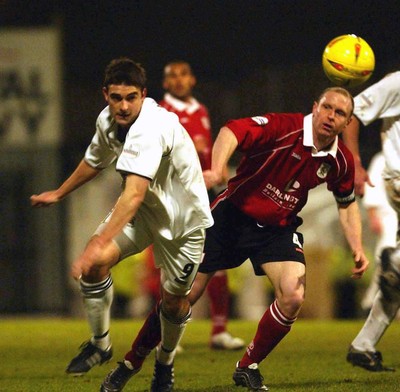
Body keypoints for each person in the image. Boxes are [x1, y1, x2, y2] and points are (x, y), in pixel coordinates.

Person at [101, 86, 369, 391]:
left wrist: (358, 247)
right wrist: (217, 170)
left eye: (340, 113)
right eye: (327, 108)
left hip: (276, 229)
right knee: (179, 299)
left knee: (293, 296)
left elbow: (346, 203)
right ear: (315, 107)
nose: (331, 116)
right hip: (231, 218)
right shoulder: (284, 128)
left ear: (347, 123)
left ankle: (247, 366)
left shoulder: (340, 160)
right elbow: (231, 131)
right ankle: (131, 363)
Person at [30, 57, 213, 391]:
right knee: (96, 265)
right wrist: (59, 192)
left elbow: (132, 196)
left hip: (183, 224)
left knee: (173, 302)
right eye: (117, 98)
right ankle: (100, 344)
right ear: (106, 95)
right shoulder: (108, 121)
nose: (124, 106)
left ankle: (165, 363)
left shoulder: (151, 128)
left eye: (131, 97)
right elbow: (94, 161)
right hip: (145, 214)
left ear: (144, 94)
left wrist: (96, 243)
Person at [154, 59, 243, 350]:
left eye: (183, 75)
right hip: (172, 197)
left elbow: (206, 156)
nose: (178, 80)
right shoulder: (159, 112)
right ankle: (165, 333)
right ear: (165, 83)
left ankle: (218, 330)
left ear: (192, 80)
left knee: (217, 259)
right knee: (171, 266)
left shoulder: (201, 111)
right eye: (172, 76)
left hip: (203, 198)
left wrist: (219, 176)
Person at [343, 71, 400, 372]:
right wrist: (354, 162)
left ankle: (363, 344)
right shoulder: (397, 82)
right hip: (398, 175)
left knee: (396, 284)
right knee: (397, 268)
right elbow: (352, 113)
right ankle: (397, 261)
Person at [360, 152, 397, 311]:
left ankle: (373, 303)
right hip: (388, 217)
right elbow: (372, 188)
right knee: (386, 260)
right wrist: (373, 216)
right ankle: (370, 304)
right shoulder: (382, 159)